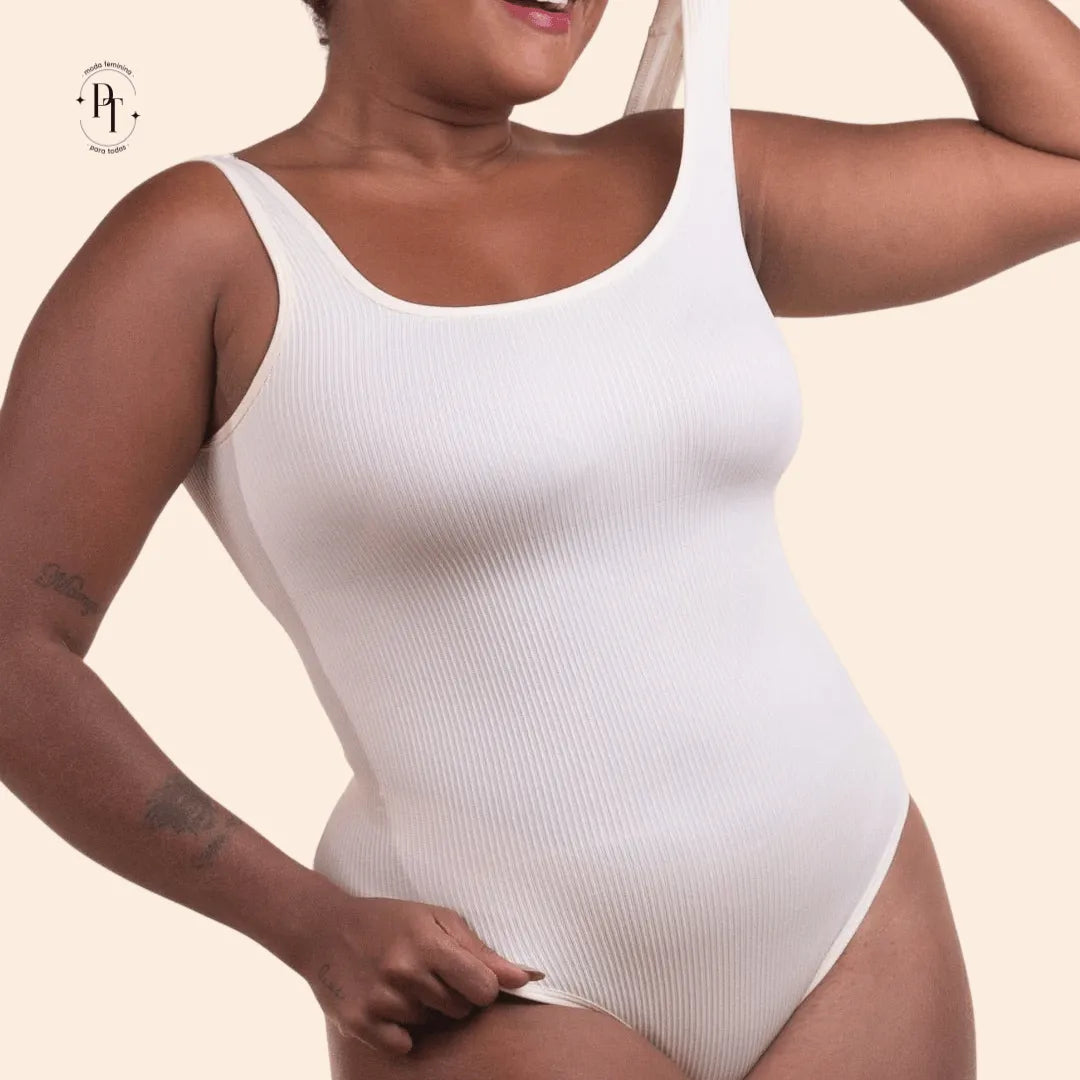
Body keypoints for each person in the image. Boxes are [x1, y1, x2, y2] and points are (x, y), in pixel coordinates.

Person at [2, 0, 1078, 1076]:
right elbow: (15, 652)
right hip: (498, 976)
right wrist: (303, 921)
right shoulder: (208, 243)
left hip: (850, 918)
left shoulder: (695, 175)